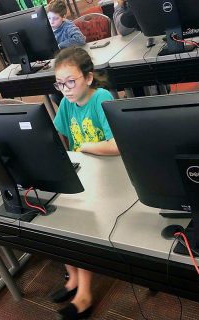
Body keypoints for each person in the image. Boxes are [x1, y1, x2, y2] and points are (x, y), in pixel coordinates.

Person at [51, 46, 118, 320]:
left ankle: (85, 294)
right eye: (60, 83)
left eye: (71, 81)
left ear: (88, 78)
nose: (65, 89)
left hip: (108, 172)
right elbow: (57, 134)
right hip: (83, 169)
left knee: (78, 219)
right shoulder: (67, 103)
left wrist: (86, 148)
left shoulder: (101, 98)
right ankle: (74, 278)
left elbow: (117, 144)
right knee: (61, 209)